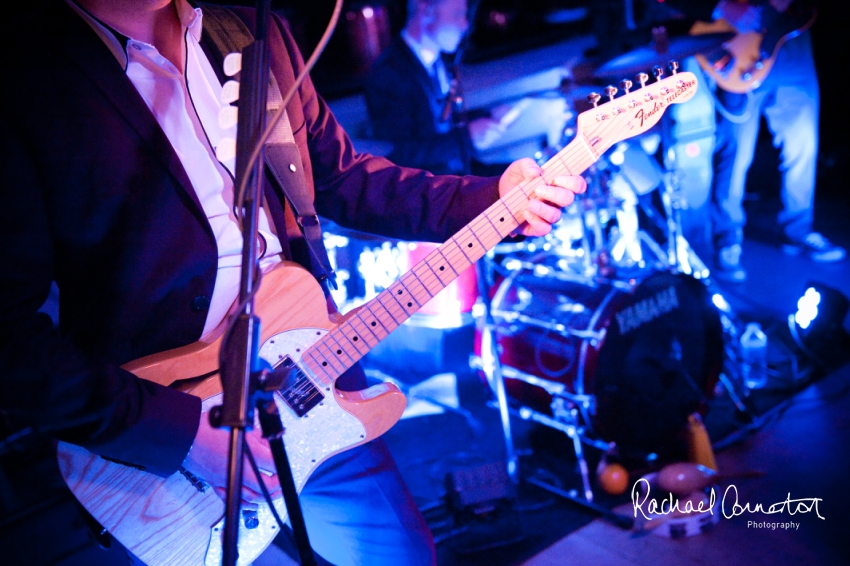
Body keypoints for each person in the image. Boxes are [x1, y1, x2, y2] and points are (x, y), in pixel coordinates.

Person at [0, 1, 585, 565]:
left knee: (401, 555)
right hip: (164, 437)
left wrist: (494, 199)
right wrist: (184, 437)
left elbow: (345, 180)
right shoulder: (27, 79)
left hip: (311, 378)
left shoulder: (254, 34)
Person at [707, 0, 845, 282]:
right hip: (739, 50)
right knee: (734, 154)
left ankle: (798, 230)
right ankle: (727, 237)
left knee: (803, 148)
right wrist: (722, 6)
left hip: (791, 52)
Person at [363, 0, 509, 175]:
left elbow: (442, 122)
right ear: (427, 11)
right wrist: (467, 137)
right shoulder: (388, 74)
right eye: (457, 15)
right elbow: (401, 153)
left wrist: (486, 117)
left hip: (459, 173)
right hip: (433, 188)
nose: (465, 25)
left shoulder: (437, 62)